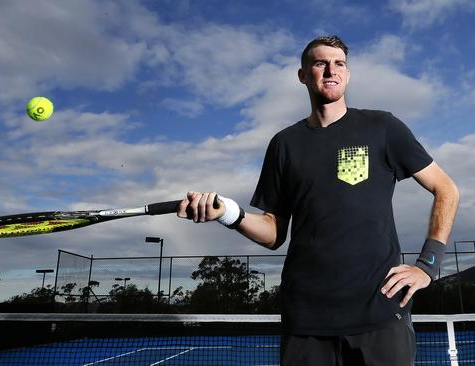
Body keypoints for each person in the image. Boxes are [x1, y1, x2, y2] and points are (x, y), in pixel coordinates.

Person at [177, 35, 459, 366]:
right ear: (303, 75)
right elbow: (273, 232)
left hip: (380, 313)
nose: (331, 70)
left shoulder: (382, 127)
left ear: (348, 74)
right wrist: (228, 213)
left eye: (339, 63)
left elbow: (446, 189)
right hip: (306, 320)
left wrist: (427, 265)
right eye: (320, 63)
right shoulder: (284, 144)